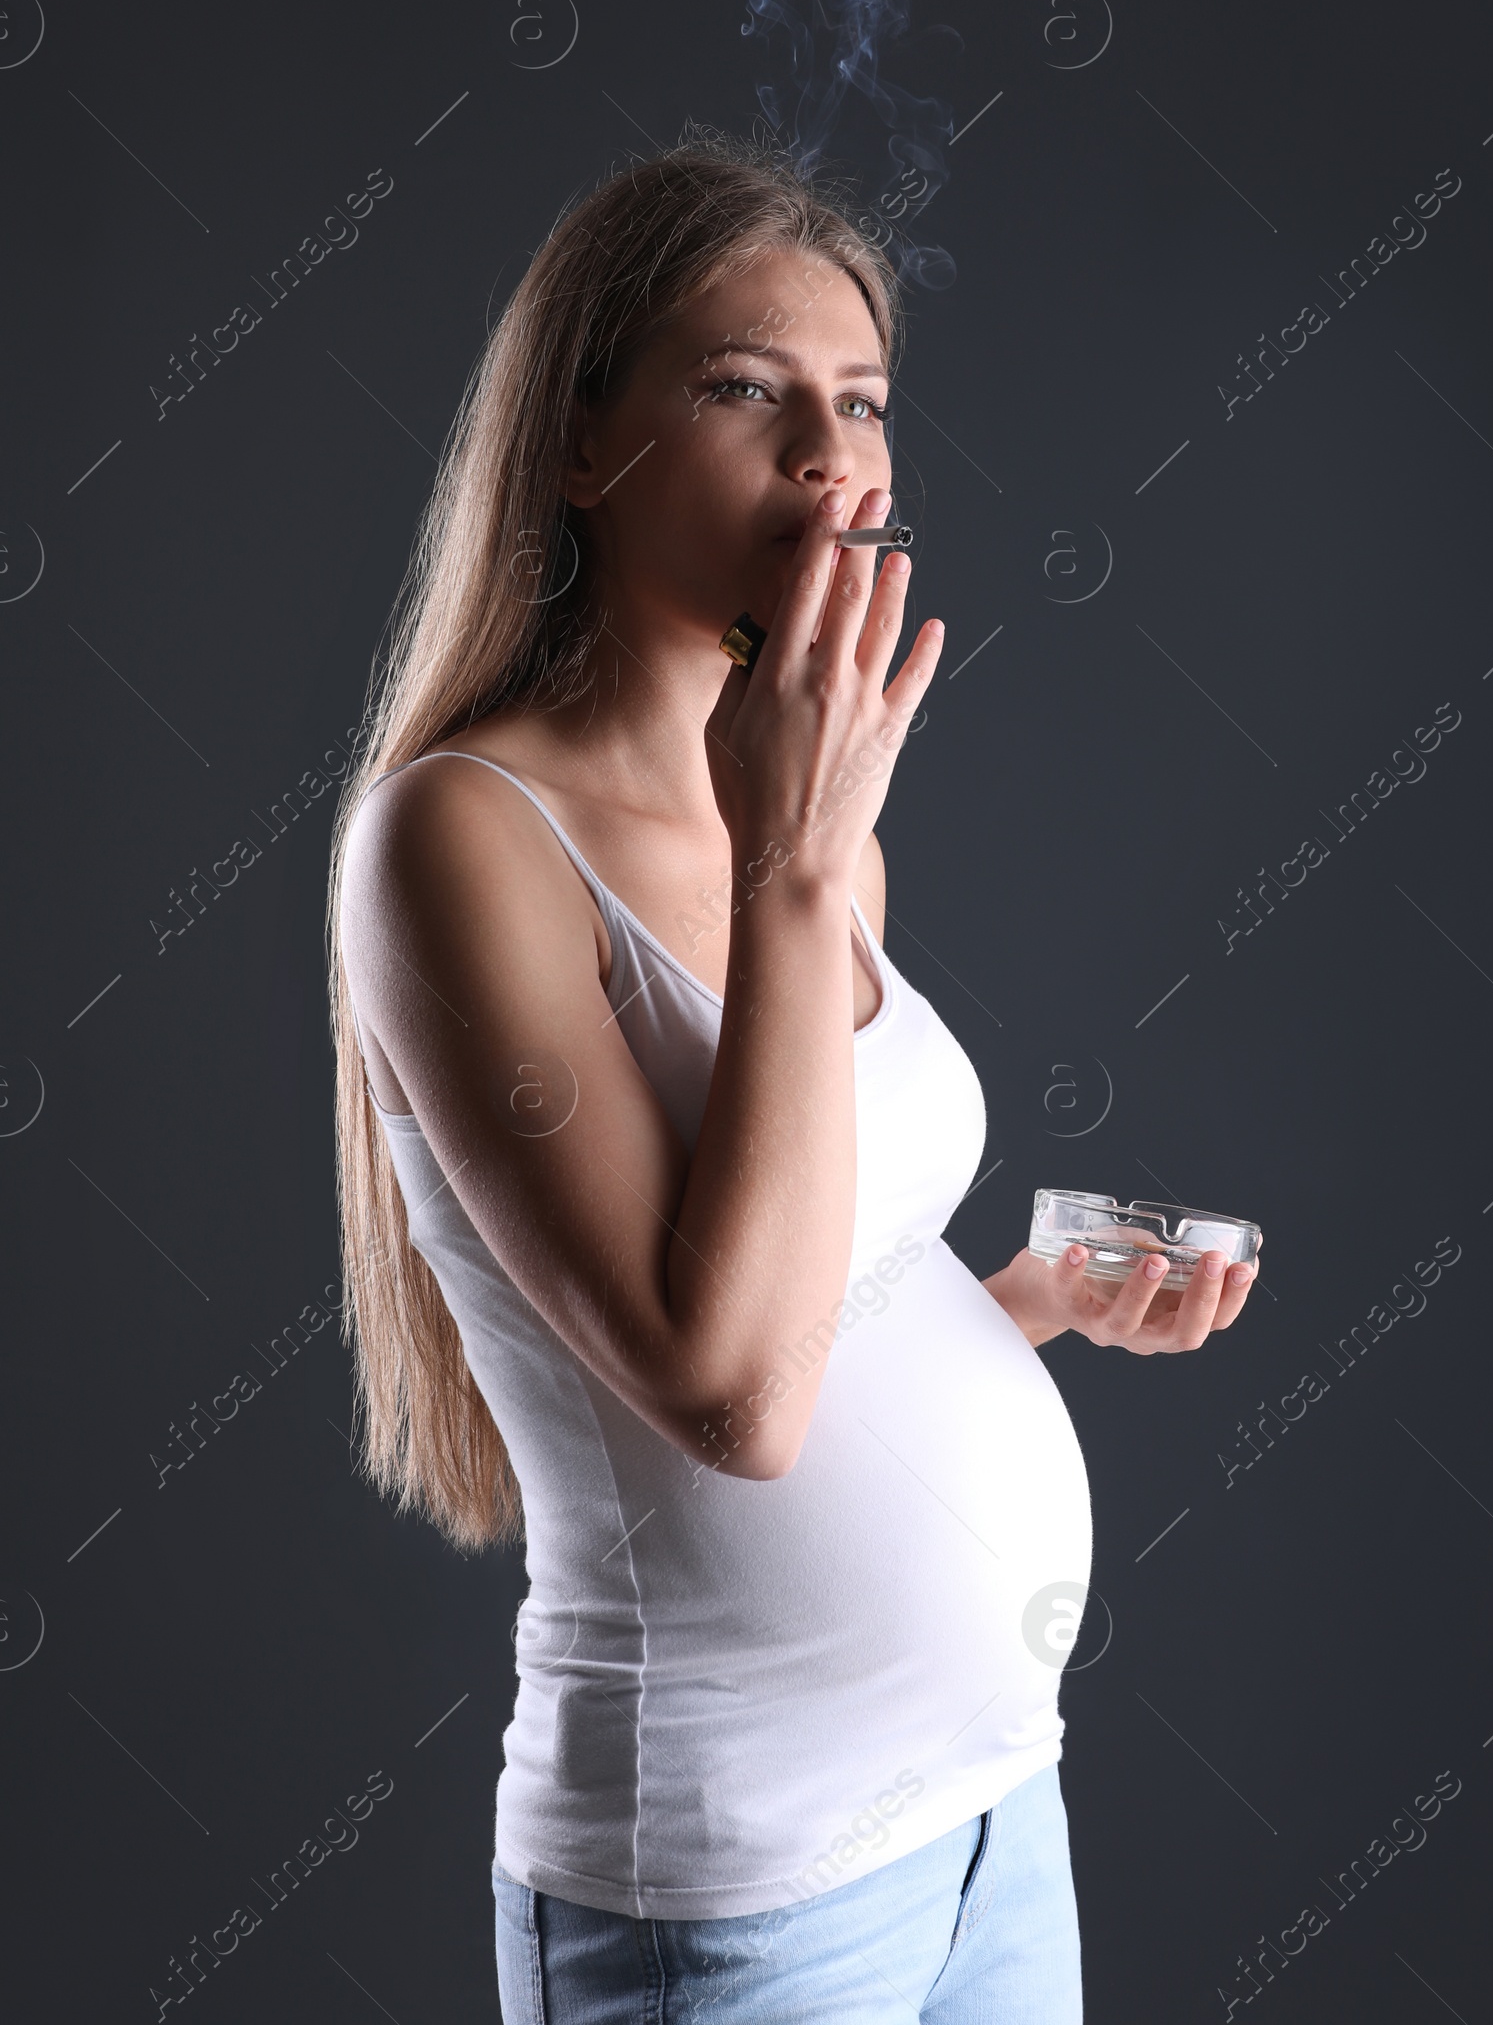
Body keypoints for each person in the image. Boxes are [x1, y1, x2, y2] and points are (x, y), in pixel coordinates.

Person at [329, 131, 1258, 2022]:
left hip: (1000, 1814)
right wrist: (795, 861)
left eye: (863, 400)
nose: (834, 453)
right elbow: (731, 1395)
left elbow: (810, 1278)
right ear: (581, 446)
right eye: (749, 390)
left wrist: (1011, 1316)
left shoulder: (802, 824)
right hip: (733, 1900)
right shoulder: (464, 838)